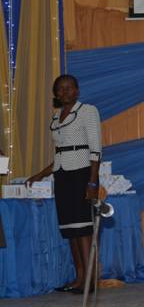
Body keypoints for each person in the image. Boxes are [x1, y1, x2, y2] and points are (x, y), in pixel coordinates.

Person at [27, 74, 102, 294]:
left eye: (69, 88)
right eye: (60, 89)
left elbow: (95, 148)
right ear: (56, 94)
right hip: (62, 176)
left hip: (82, 174)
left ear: (77, 90)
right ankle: (79, 278)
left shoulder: (88, 111)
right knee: (70, 229)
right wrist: (39, 175)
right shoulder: (56, 118)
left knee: (83, 228)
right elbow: (60, 154)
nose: (65, 92)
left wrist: (92, 181)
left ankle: (91, 279)